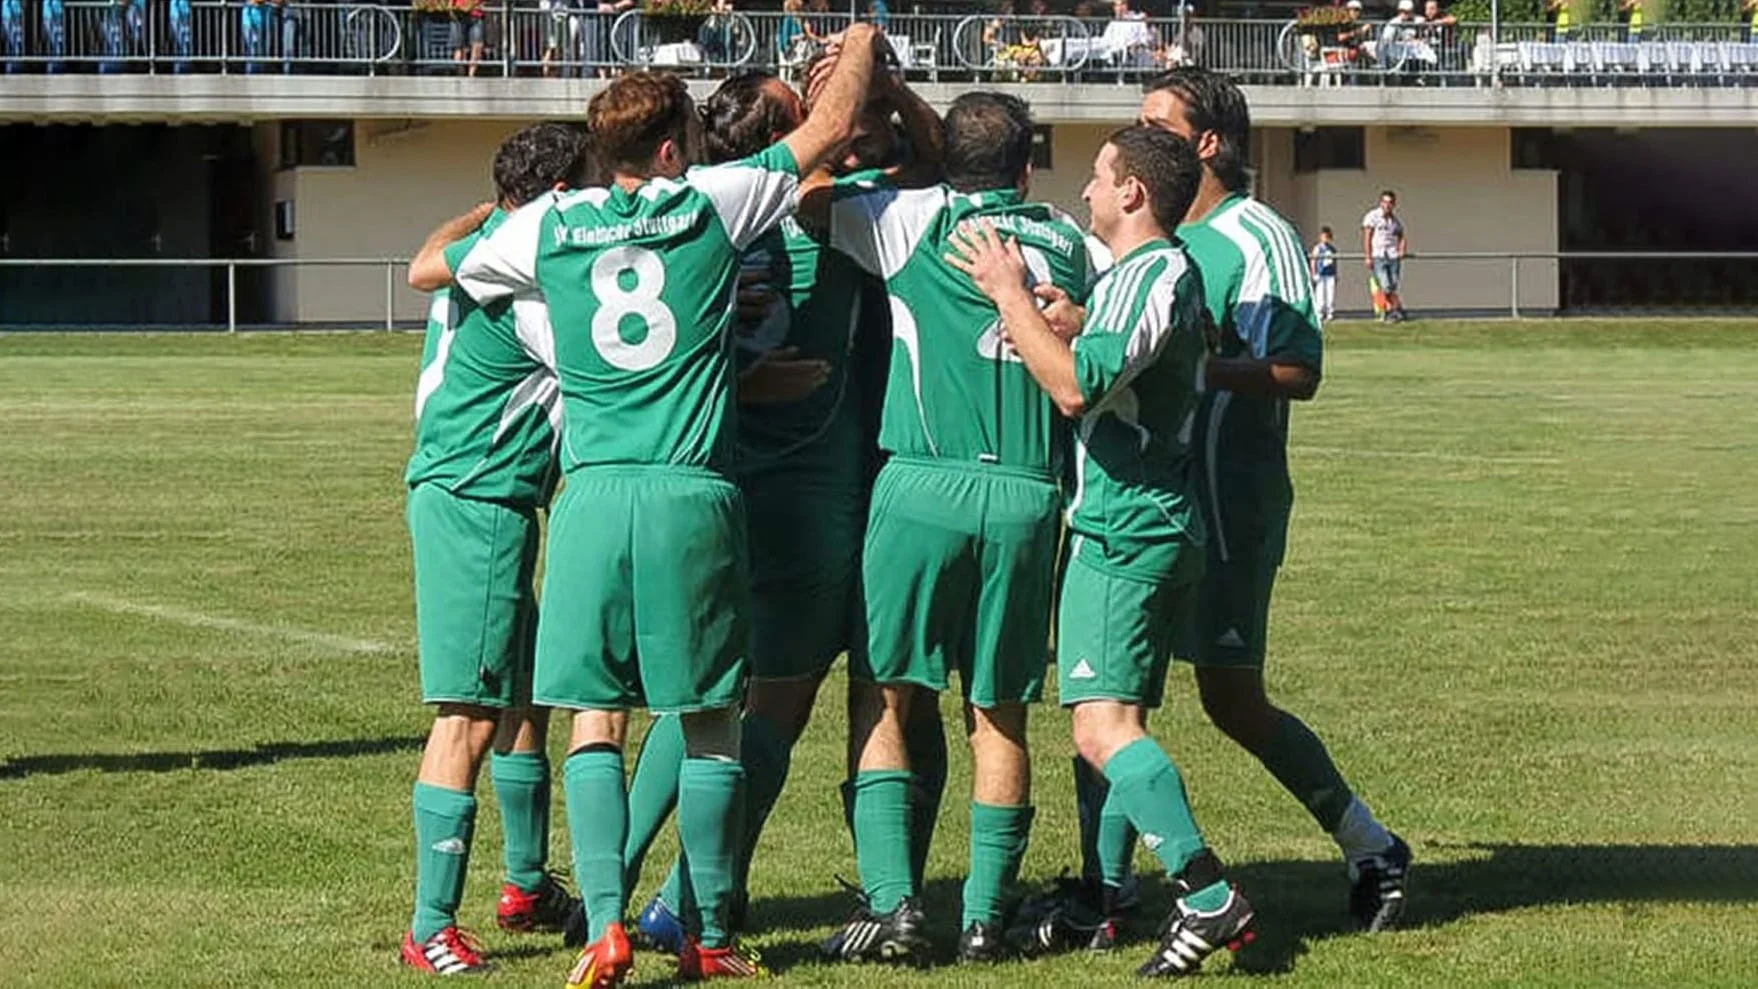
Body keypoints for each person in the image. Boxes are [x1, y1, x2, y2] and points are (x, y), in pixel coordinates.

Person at [408, 31, 883, 985]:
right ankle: (704, 932)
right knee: (710, 716)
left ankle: (603, 927)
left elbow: (437, 265)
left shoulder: (546, 226)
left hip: (587, 495)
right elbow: (832, 129)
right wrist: (864, 39)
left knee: (593, 715)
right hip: (689, 492)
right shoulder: (711, 199)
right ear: (670, 151)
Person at [1026, 66, 1410, 950]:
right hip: (1143, 498)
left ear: (1205, 142)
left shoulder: (1255, 233)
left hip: (1224, 497)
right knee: (1110, 694)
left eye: (1156, 120)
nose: (1139, 132)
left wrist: (1184, 368)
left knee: (1231, 698)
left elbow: (1297, 369)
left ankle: (1371, 844)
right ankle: (1106, 886)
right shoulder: (1152, 239)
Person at [623, 65, 951, 956]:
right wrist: (866, 55)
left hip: (721, 472)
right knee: (802, 701)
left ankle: (630, 885)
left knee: (708, 696)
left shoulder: (696, 210)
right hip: (818, 485)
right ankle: (689, 897)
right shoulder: (821, 208)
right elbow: (945, 162)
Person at [951, 123, 1261, 979]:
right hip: (1150, 520)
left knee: (1101, 728)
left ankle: (1205, 894)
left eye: (1097, 177)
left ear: (1133, 193)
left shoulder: (1154, 268)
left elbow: (1076, 385)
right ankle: (1111, 893)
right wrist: (1076, 318)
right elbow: (1117, 355)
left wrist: (1011, 291)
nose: (1084, 193)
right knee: (1117, 722)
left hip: (1126, 524)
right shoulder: (1145, 277)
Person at [819, 91, 1093, 964]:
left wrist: (878, 101)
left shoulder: (907, 217)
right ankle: (983, 917)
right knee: (999, 712)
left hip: (920, 480)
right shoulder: (1067, 239)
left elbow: (804, 185)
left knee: (886, 694)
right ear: (1027, 165)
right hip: (1025, 490)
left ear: (942, 159)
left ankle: (897, 907)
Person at [396, 122, 597, 977]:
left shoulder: (490, 243)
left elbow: (424, 259)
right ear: (557, 197)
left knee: (521, 699)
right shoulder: (529, 279)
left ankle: (522, 885)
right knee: (470, 714)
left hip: (479, 494)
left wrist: (482, 212)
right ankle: (428, 923)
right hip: (478, 497)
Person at [1362, 189, 1407, 322]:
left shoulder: (1394, 221)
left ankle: (1396, 310)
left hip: (1393, 256)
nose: (1387, 205)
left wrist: (1402, 249)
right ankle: (1392, 310)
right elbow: (1367, 237)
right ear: (1381, 202)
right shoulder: (1372, 217)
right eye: (1385, 202)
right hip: (1379, 255)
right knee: (1385, 285)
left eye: (1390, 203)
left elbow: (1401, 236)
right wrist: (1368, 256)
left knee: (1392, 284)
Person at [1311, 226, 1337, 322]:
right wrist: (1314, 273)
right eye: (1324, 237)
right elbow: (1313, 261)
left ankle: (1330, 312)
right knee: (1320, 294)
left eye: (1327, 237)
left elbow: (1334, 262)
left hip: (1330, 274)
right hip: (1321, 274)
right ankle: (1320, 313)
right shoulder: (1318, 248)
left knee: (1330, 294)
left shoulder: (1332, 249)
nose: (1326, 239)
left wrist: (1335, 273)